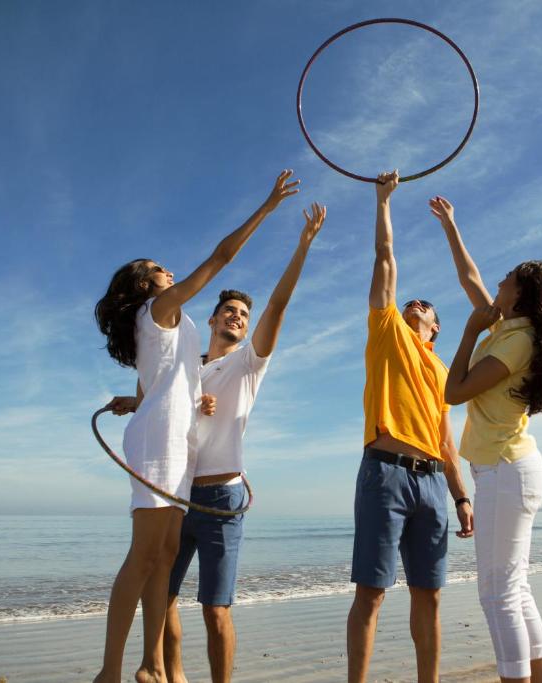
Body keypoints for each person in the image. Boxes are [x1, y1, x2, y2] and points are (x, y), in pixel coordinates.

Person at [92, 170, 300, 683]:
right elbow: (221, 257)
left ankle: (152, 665)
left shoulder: (171, 322)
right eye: (159, 269)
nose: (168, 272)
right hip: (159, 441)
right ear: (145, 285)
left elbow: (159, 380)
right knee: (143, 556)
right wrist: (267, 207)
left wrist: (151, 398)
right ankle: (110, 673)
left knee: (162, 556)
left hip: (173, 440)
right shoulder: (159, 307)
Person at [161, 203, 326, 683]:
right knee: (161, 597)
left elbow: (277, 306)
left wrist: (304, 244)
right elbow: (162, 407)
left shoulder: (249, 363)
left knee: (215, 611)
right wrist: (139, 401)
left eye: (242, 314)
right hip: (176, 494)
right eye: (229, 311)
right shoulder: (188, 369)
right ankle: (174, 676)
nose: (237, 316)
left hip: (221, 497)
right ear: (211, 321)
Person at [430, 195, 542, 683]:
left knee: (496, 592)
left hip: (505, 469)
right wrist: (451, 226)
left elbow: (454, 393)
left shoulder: (515, 340)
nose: (497, 283)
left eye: (507, 280)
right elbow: (470, 278)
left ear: (521, 294)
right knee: (515, 588)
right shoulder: (509, 325)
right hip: (507, 469)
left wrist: (464, 334)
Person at [347, 171, 474, 683]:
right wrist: (383, 204)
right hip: (385, 474)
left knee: (431, 594)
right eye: (410, 303)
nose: (414, 304)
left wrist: (461, 496)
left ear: (436, 327)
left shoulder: (444, 370)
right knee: (372, 592)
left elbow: (446, 441)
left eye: (425, 306)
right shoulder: (387, 332)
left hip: (431, 485)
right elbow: (385, 261)